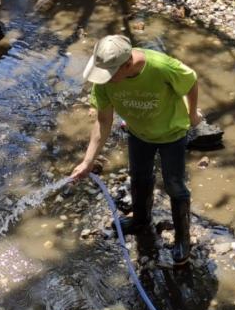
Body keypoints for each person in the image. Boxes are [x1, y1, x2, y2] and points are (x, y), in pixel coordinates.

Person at [70, 35, 201, 266]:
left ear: (127, 65)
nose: (105, 80)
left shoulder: (161, 67)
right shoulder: (104, 82)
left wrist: (192, 114)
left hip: (172, 134)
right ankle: (141, 220)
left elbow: (191, 80)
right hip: (139, 134)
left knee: (174, 184)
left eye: (110, 75)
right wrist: (88, 161)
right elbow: (102, 122)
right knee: (139, 178)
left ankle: (183, 238)